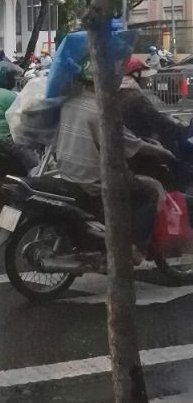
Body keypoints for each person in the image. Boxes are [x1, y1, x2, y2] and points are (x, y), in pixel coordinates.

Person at [56, 62, 172, 258]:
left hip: (67, 171)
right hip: (93, 178)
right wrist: (163, 152)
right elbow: (129, 143)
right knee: (149, 191)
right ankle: (136, 248)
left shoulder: (69, 103)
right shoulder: (102, 112)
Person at [119, 56, 186, 154]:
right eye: (145, 76)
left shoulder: (119, 93)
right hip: (141, 147)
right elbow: (159, 121)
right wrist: (182, 130)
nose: (148, 79)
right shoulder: (136, 99)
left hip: (128, 145)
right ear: (136, 77)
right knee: (171, 158)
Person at [0, 61, 38, 170]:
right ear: (5, 78)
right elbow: (24, 113)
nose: (14, 80)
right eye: (12, 77)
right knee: (36, 165)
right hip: (4, 139)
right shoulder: (8, 96)